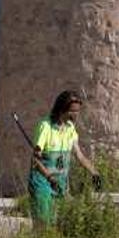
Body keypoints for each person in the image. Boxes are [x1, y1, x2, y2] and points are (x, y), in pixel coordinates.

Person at [28, 90, 102, 227]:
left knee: (60, 224)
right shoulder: (46, 127)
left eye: (78, 111)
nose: (76, 114)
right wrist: (49, 177)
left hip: (60, 183)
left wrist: (94, 173)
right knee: (43, 224)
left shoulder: (70, 129)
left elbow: (79, 155)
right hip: (43, 183)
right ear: (63, 109)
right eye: (73, 111)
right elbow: (36, 160)